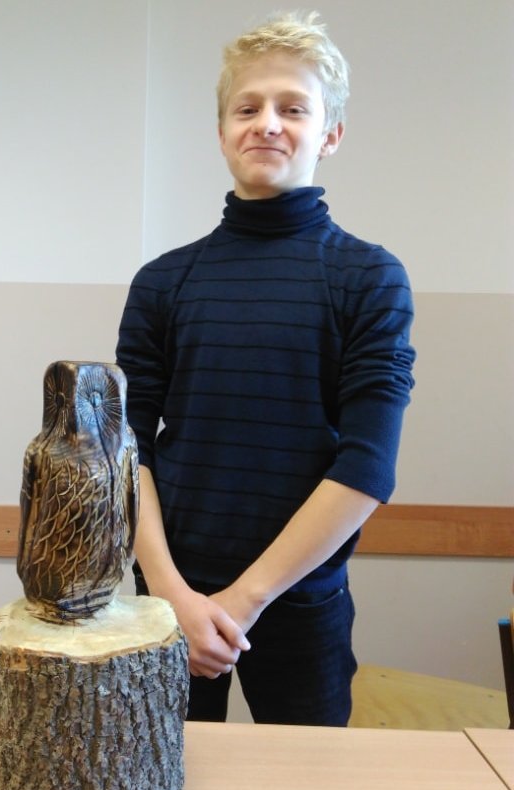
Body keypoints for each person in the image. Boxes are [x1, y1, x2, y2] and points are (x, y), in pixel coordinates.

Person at [115, 10, 415, 726]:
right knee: (162, 786)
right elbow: (126, 448)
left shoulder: (369, 279)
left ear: (330, 134)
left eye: (293, 108)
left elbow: (368, 465)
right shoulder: (163, 282)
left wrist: (243, 600)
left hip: (302, 604)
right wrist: (172, 594)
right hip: (168, 602)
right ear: (222, 131)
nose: (267, 124)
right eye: (247, 108)